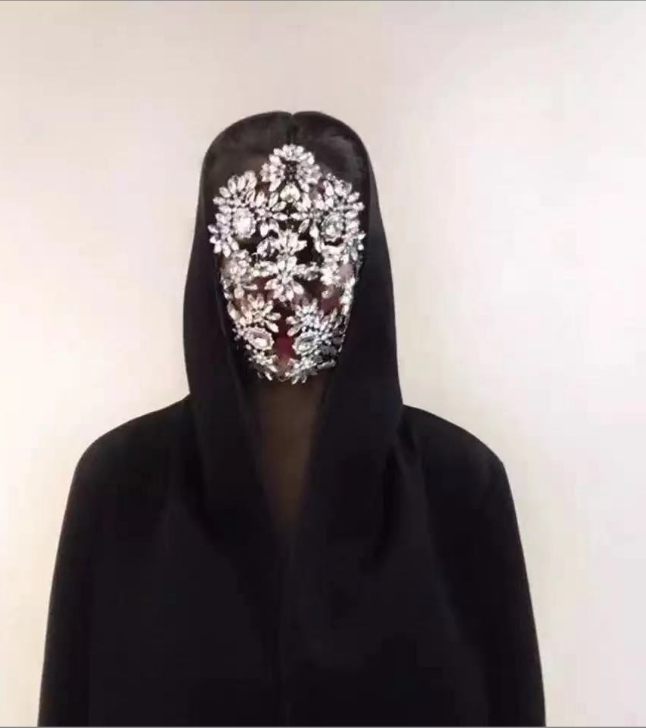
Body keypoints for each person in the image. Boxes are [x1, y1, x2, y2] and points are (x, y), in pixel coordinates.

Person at [38, 111, 545, 726]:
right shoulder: (121, 486)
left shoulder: (461, 486)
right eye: (255, 249)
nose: (284, 287)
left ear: (360, 257)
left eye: (316, 249)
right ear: (215, 259)